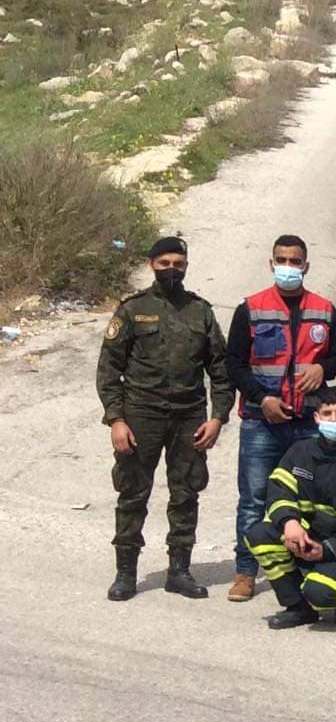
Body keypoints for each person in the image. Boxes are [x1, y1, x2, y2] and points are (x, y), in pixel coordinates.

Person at [96, 236, 234, 601]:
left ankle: (180, 571)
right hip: (141, 413)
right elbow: (109, 369)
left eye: (178, 263)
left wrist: (218, 418)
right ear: (151, 264)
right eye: (164, 263)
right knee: (132, 492)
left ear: (186, 266)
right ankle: (126, 573)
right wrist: (116, 420)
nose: (172, 270)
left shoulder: (200, 311)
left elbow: (221, 371)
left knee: (186, 492)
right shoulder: (132, 310)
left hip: (189, 416)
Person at [225, 234, 336, 602]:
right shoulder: (251, 308)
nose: (288, 267)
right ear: (271, 263)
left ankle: (305, 566)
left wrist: (322, 368)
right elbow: (234, 364)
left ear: (306, 266)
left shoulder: (324, 309)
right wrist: (261, 398)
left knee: (309, 498)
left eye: (295, 261)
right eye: (282, 260)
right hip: (262, 421)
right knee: (254, 499)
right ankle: (246, 572)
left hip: (308, 422)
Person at [243, 386, 336, 628]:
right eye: (327, 413)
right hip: (310, 537)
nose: (334, 419)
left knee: (320, 593)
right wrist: (290, 523)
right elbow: (278, 489)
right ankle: (297, 608)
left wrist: (328, 550)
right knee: (259, 535)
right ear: (317, 417)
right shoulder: (300, 452)